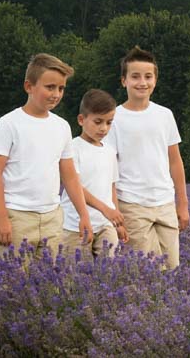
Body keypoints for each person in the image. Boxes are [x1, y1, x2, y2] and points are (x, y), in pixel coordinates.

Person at [0, 53, 94, 267]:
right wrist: (1, 218)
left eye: (61, 88)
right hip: (16, 216)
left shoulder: (62, 126)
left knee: (48, 290)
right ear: (29, 86)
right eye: (50, 87)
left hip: (52, 219)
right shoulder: (8, 124)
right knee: (8, 289)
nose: (56, 94)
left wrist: (84, 215)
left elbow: (70, 176)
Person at [108, 46, 190, 270]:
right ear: (124, 81)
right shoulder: (114, 118)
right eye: (135, 77)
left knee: (173, 268)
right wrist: (115, 212)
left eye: (148, 76)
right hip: (132, 204)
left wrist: (182, 204)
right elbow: (109, 170)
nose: (142, 82)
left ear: (155, 80)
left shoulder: (164, 115)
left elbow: (175, 161)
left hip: (164, 202)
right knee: (147, 271)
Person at [61, 89, 128, 259]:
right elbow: (75, 186)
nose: (104, 128)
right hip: (76, 224)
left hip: (106, 224)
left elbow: (111, 187)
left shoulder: (110, 151)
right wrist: (106, 210)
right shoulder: (72, 148)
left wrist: (117, 221)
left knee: (110, 273)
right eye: (98, 122)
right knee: (76, 277)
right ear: (81, 120)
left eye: (109, 122)